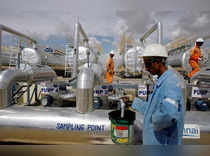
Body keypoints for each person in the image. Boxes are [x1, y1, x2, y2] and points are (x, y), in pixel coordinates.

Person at [130, 44, 184, 145]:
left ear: (158, 62)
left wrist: (152, 121)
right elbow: (153, 109)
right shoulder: (161, 81)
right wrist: (134, 102)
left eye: (147, 64)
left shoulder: (169, 82)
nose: (146, 68)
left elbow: (168, 114)